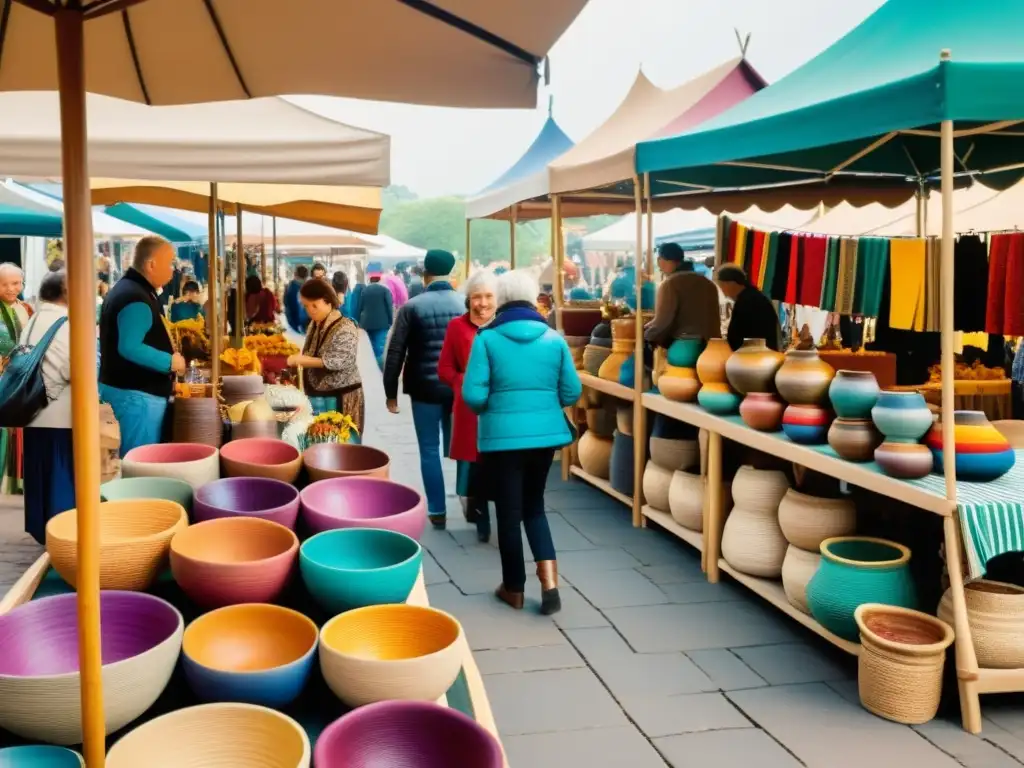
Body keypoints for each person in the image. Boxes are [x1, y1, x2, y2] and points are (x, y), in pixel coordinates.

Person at [462, 270, 582, 615]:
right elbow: (572, 391)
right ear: (533, 299)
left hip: (501, 440)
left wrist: (496, 406)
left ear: (500, 300)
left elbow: (473, 396)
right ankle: (551, 585)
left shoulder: (486, 339)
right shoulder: (553, 338)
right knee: (535, 507)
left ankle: (513, 588)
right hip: (545, 439)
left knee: (509, 513)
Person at [383, 249, 465, 529]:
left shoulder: (412, 306)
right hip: (459, 390)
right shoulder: (466, 304)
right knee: (465, 447)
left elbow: (395, 351)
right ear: (451, 273)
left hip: (424, 388)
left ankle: (437, 510)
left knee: (429, 450)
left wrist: (390, 392)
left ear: (426, 274)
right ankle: (470, 500)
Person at [99, 236, 185, 455]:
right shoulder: (134, 296)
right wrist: (170, 361)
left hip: (130, 393)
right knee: (137, 462)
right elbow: (129, 347)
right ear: (152, 264)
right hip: (136, 397)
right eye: (170, 263)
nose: (173, 270)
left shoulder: (130, 289)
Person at [438, 269, 497, 543]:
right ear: (468, 299)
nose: (482, 303)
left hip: (499, 405)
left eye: (488, 296)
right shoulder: (456, 327)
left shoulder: (501, 326)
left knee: (497, 461)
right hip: (469, 408)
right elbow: (444, 367)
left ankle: (499, 512)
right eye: (477, 297)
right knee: (474, 463)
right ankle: (480, 514)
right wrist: (462, 381)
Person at [21, 271, 73, 544]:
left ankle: (44, 533)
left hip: (32, 414)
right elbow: (74, 369)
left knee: (39, 479)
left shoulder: (33, 319)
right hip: (59, 415)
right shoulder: (64, 324)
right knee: (59, 483)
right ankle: (61, 540)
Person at [287, 279, 364, 433]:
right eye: (306, 306)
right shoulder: (315, 324)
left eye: (314, 305)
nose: (310, 310)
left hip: (342, 397)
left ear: (328, 301)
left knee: (342, 446)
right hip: (320, 395)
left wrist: (302, 360)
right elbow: (310, 351)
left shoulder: (345, 327)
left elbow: (336, 362)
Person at [644, 242, 721, 349]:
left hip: (687, 348)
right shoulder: (707, 283)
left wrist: (644, 336)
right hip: (714, 347)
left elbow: (662, 323)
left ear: (660, 261)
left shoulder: (670, 284)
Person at [0, 263, 32, 495]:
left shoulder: (27, 309)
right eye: (4, 284)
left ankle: (17, 481)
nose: (11, 288)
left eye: (16, 283)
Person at [715, 263, 782, 351]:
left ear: (731, 283)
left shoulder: (747, 301)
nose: (724, 293)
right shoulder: (753, 296)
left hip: (754, 356)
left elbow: (736, 336)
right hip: (763, 354)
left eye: (722, 286)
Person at [359, 268, 393, 370]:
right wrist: (390, 321)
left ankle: (372, 366)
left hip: (367, 323)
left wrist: (358, 322)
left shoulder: (364, 290)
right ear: (379, 278)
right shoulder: (385, 290)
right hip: (382, 323)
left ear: (370, 279)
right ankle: (379, 368)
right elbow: (389, 306)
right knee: (379, 346)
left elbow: (360, 307)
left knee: (372, 345)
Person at [283, 264, 310, 334]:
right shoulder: (309, 287)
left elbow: (285, 302)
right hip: (305, 321)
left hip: (293, 321)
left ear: (295, 274)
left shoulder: (290, 286)